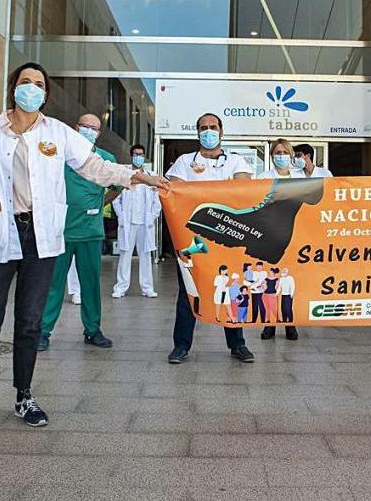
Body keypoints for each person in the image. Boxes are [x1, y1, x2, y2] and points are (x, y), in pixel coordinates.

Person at [0, 62, 166, 433]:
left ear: (45, 94)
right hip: (0, 233)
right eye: (25, 82)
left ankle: (24, 395)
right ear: (12, 87)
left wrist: (137, 175)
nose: (31, 89)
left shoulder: (57, 133)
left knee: (29, 322)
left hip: (41, 236)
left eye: (39, 84)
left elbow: (94, 167)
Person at [165, 112, 255, 364]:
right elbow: (175, 193)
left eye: (213, 127)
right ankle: (181, 345)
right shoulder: (184, 162)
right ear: (197, 133)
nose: (208, 131)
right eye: (203, 127)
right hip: (192, 239)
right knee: (188, 292)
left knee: (232, 289)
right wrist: (218, 195)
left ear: (221, 132)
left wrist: (200, 195)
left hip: (228, 238)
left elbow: (243, 190)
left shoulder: (236, 161)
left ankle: (238, 344)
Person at [38, 114, 122, 352]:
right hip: (61, 231)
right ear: (76, 128)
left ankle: (93, 330)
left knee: (90, 284)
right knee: (53, 284)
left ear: (99, 133)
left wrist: (100, 203)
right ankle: (43, 331)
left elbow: (117, 186)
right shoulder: (61, 156)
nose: (89, 130)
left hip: (90, 231)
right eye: (85, 126)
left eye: (94, 128)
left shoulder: (105, 158)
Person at [257, 139, 302, 340]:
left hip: (294, 233)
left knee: (289, 284)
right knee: (271, 284)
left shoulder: (300, 177)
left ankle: (290, 323)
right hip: (270, 234)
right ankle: (270, 324)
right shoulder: (264, 177)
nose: (281, 155)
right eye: (277, 152)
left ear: (291, 155)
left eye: (285, 152)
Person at [112, 144, 161, 298]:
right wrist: (121, 215)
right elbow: (115, 198)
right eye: (135, 154)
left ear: (144, 156)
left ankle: (147, 289)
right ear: (131, 156)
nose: (138, 157)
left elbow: (157, 201)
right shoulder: (124, 175)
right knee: (125, 255)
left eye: (140, 154)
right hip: (128, 222)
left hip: (145, 223)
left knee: (145, 256)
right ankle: (120, 288)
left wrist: (153, 216)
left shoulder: (151, 176)